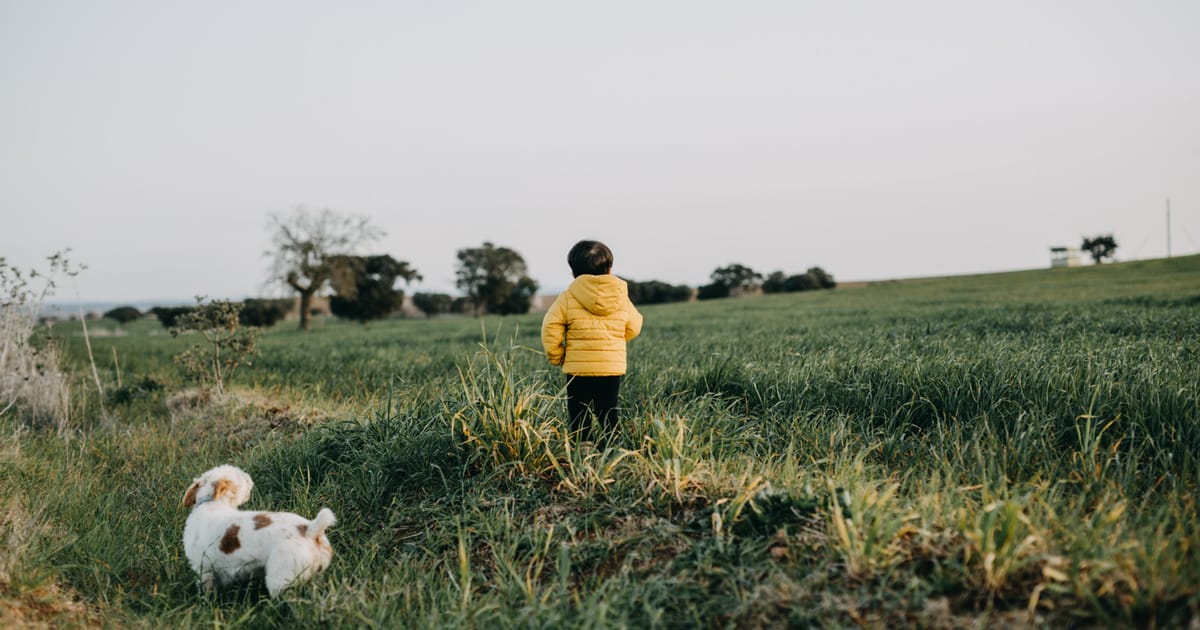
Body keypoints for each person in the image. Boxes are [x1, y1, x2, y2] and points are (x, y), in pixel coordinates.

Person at [541, 240, 643, 444]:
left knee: (578, 413)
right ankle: (613, 451)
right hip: (610, 368)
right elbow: (634, 326)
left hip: (577, 368)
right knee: (608, 412)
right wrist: (613, 341)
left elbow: (550, 327)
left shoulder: (568, 297)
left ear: (573, 272)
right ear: (610, 268)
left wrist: (557, 356)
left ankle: (583, 451)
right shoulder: (621, 297)